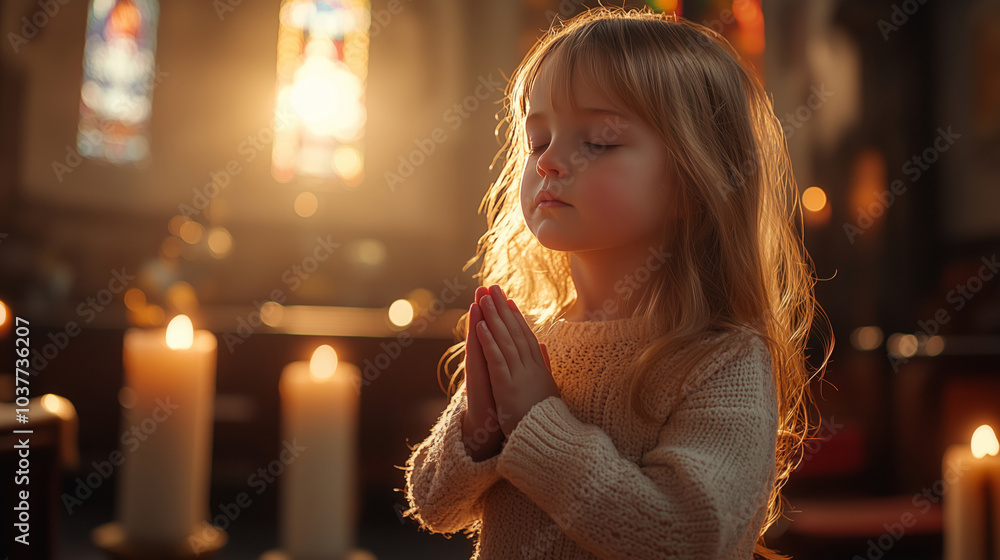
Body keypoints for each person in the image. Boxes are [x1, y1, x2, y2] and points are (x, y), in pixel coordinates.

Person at [400, 6, 833, 559]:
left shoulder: (720, 360)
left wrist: (535, 422)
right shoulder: (533, 341)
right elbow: (435, 505)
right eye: (537, 139)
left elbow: (686, 539)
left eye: (599, 142)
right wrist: (478, 430)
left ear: (695, 180)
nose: (550, 161)